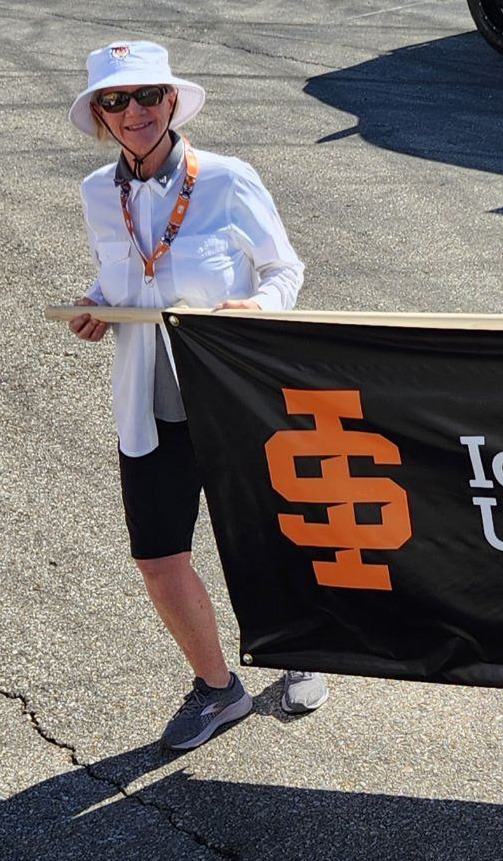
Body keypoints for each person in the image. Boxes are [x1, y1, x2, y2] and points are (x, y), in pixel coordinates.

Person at [66, 41, 329, 750]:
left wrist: (260, 309)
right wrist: (96, 304)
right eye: (116, 101)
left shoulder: (226, 178)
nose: (135, 112)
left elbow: (283, 266)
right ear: (100, 114)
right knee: (157, 558)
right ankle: (218, 689)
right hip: (148, 404)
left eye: (148, 95)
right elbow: (119, 279)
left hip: (231, 395)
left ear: (171, 101)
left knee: (267, 536)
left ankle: (300, 650)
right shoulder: (98, 192)